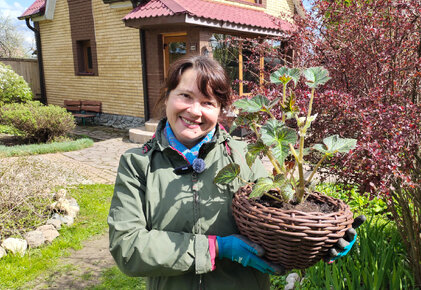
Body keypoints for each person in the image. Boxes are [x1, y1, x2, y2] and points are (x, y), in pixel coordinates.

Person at [108, 56, 361, 289]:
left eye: (208, 102)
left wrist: (321, 240)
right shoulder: (138, 164)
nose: (195, 111)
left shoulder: (242, 156)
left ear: (220, 110)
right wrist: (216, 248)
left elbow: (277, 226)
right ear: (167, 97)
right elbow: (127, 248)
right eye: (185, 96)